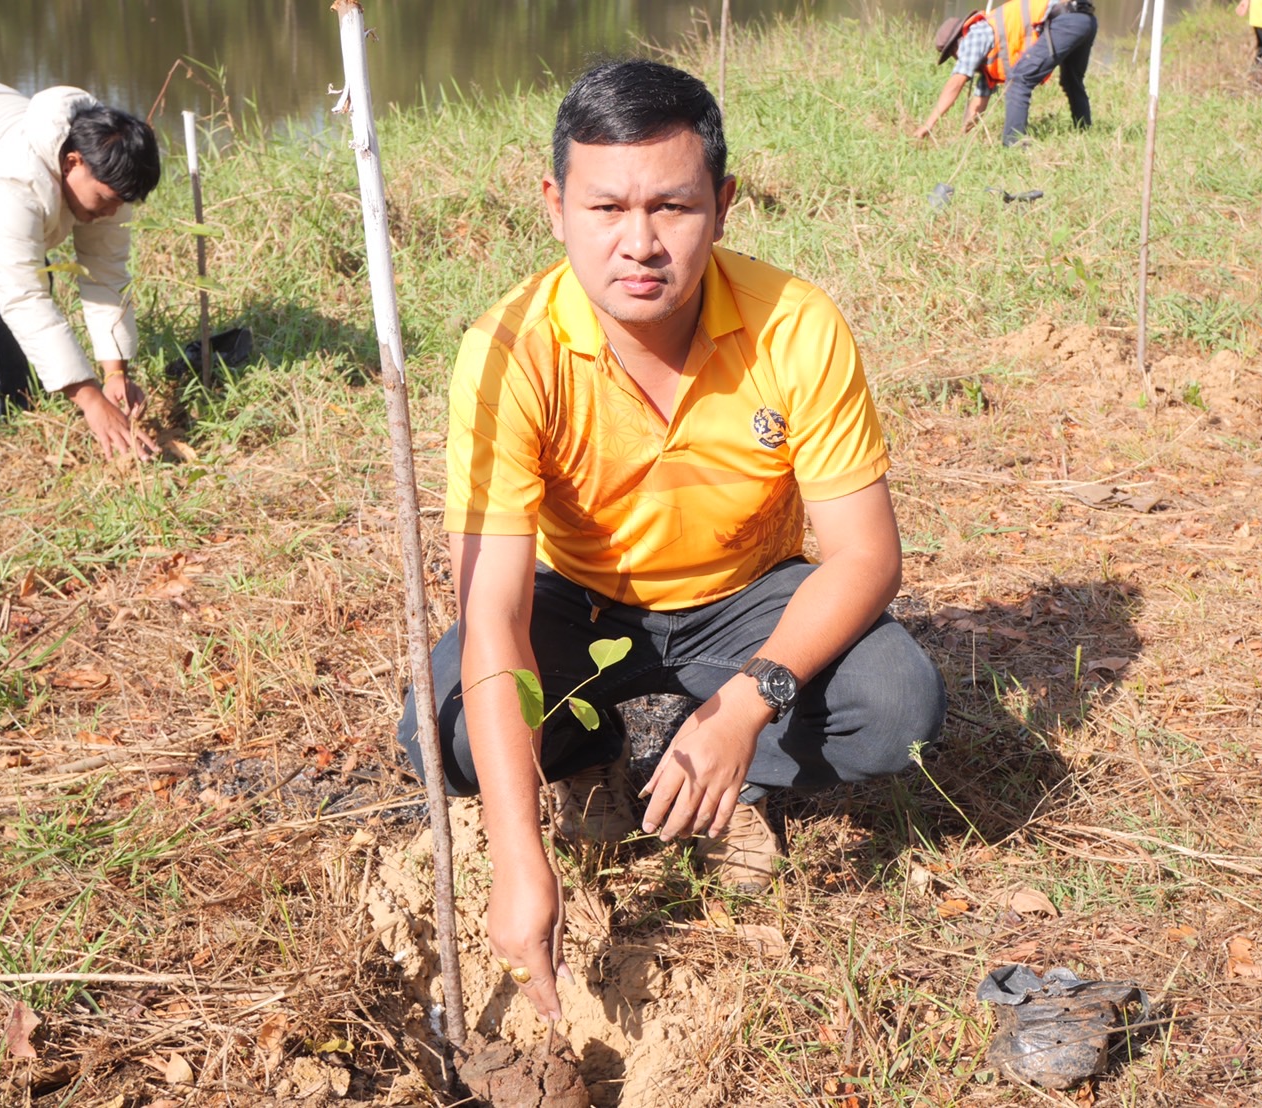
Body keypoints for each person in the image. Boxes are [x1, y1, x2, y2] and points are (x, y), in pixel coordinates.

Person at [395, 59, 946, 1021]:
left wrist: (746, 708)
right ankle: (609, 758)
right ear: (556, 206)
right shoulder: (509, 350)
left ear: (723, 206)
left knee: (898, 707)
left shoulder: (796, 325)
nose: (639, 243)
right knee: (446, 736)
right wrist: (517, 856)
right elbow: (494, 615)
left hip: (748, 596)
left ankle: (729, 771)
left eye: (673, 207)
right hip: (580, 605)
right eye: (607, 208)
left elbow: (865, 556)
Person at [0, 74, 160, 459]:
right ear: (72, 162)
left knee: (35, 277)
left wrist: (114, 373)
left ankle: (16, 418)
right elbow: (23, 298)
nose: (112, 212)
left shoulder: (108, 171)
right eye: (106, 200)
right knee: (25, 290)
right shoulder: (14, 183)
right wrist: (90, 399)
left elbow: (106, 273)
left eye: (120, 203)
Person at [913, 0, 1097, 147]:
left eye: (952, 55)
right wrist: (962, 137)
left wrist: (928, 124)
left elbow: (956, 82)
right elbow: (979, 102)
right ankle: (1084, 134)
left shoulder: (974, 36)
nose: (956, 59)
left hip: (1064, 19)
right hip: (1085, 19)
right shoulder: (988, 53)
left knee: (1018, 80)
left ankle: (1014, 145)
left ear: (956, 44)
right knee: (1071, 82)